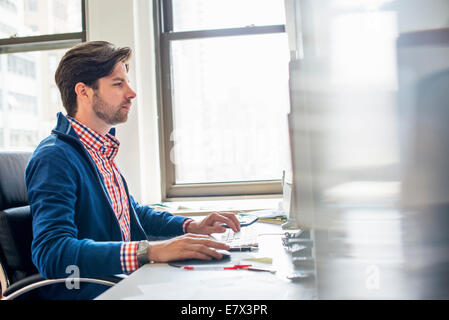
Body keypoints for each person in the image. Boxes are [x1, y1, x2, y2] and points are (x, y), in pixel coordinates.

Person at [25, 41, 240, 300]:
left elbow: (132, 214)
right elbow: (52, 252)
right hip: (92, 292)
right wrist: (149, 251)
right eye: (118, 84)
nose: (131, 93)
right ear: (83, 91)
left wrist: (191, 226)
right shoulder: (55, 157)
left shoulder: (98, 150)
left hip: (123, 282)